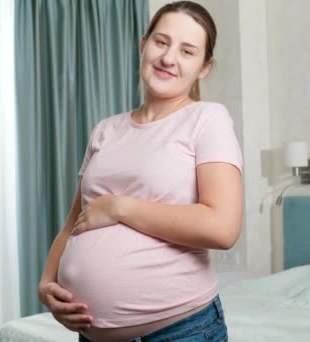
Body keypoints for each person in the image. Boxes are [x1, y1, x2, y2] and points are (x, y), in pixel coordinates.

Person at [37, 1, 243, 341]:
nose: (168, 58)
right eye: (161, 42)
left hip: (180, 331)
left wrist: (121, 207)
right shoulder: (106, 129)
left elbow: (222, 228)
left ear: (204, 68)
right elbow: (74, 223)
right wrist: (46, 283)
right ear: (143, 44)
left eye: (187, 51)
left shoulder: (208, 119)